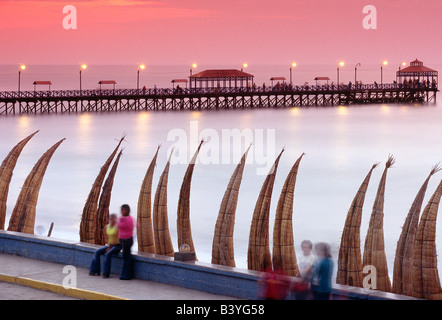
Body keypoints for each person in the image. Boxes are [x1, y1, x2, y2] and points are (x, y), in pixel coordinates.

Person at [89, 213, 121, 278]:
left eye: (113, 219)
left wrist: (110, 247)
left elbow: (121, 238)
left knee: (108, 254)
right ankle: (95, 271)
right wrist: (108, 246)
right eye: (111, 219)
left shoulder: (118, 227)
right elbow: (106, 237)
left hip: (117, 245)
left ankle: (106, 273)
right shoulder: (107, 227)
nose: (112, 220)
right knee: (97, 252)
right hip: (109, 245)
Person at [118, 204, 135, 280]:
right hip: (122, 240)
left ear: (127, 211)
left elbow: (123, 226)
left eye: (124, 210)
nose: (122, 211)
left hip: (127, 240)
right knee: (125, 256)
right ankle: (126, 274)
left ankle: (126, 275)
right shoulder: (122, 218)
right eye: (121, 210)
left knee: (127, 257)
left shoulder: (129, 219)